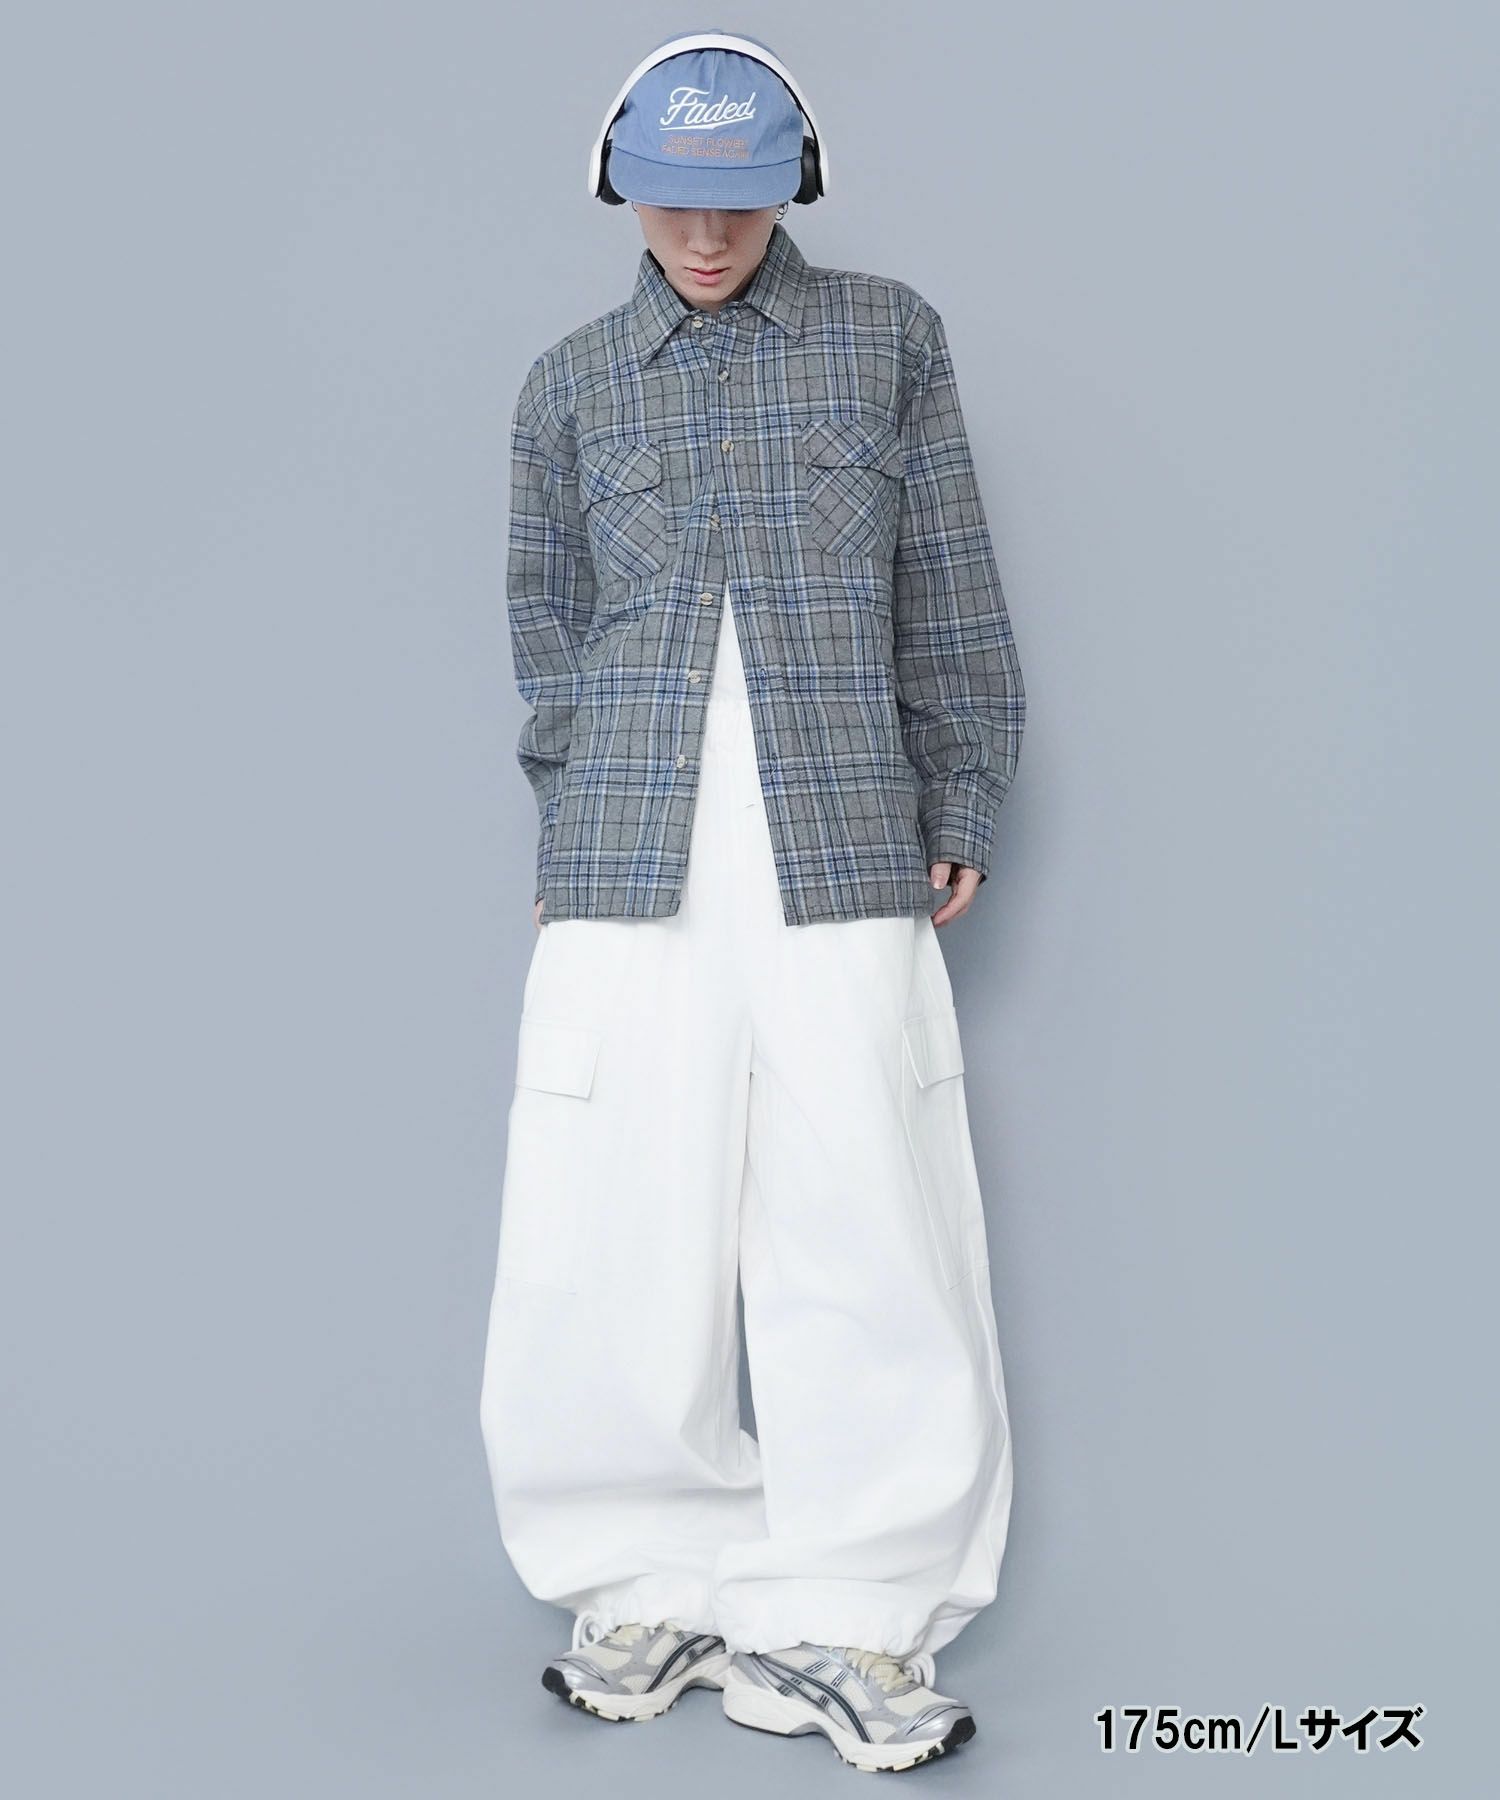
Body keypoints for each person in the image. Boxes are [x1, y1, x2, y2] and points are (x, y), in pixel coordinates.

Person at [479, 29, 1026, 1774]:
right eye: (671, 203)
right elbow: (548, 639)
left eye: (737, 203)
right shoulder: (569, 386)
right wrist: (570, 839)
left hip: (844, 834)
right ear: (619, 187)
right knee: (605, 1221)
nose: (705, 239)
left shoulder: (887, 338)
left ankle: (856, 1613)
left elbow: (948, 581)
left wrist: (962, 787)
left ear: (793, 187)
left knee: (866, 1211)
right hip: (626, 858)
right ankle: (642, 1579)